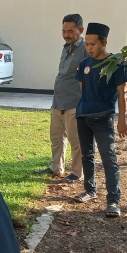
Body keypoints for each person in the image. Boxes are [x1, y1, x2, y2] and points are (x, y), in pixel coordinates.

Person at [73, 22, 127, 218]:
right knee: (87, 156)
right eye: (87, 44)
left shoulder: (117, 63)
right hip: (83, 117)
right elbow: (83, 89)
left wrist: (122, 120)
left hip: (104, 118)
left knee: (108, 159)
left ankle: (113, 200)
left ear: (104, 42)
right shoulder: (84, 64)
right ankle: (90, 190)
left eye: (93, 44)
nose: (89, 48)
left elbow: (122, 93)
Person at [36, 14, 86, 183]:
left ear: (80, 30)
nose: (66, 34)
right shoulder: (66, 47)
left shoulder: (86, 48)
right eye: (63, 31)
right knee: (57, 137)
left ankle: (77, 173)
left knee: (76, 140)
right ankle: (56, 167)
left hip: (74, 102)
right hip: (58, 101)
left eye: (70, 31)